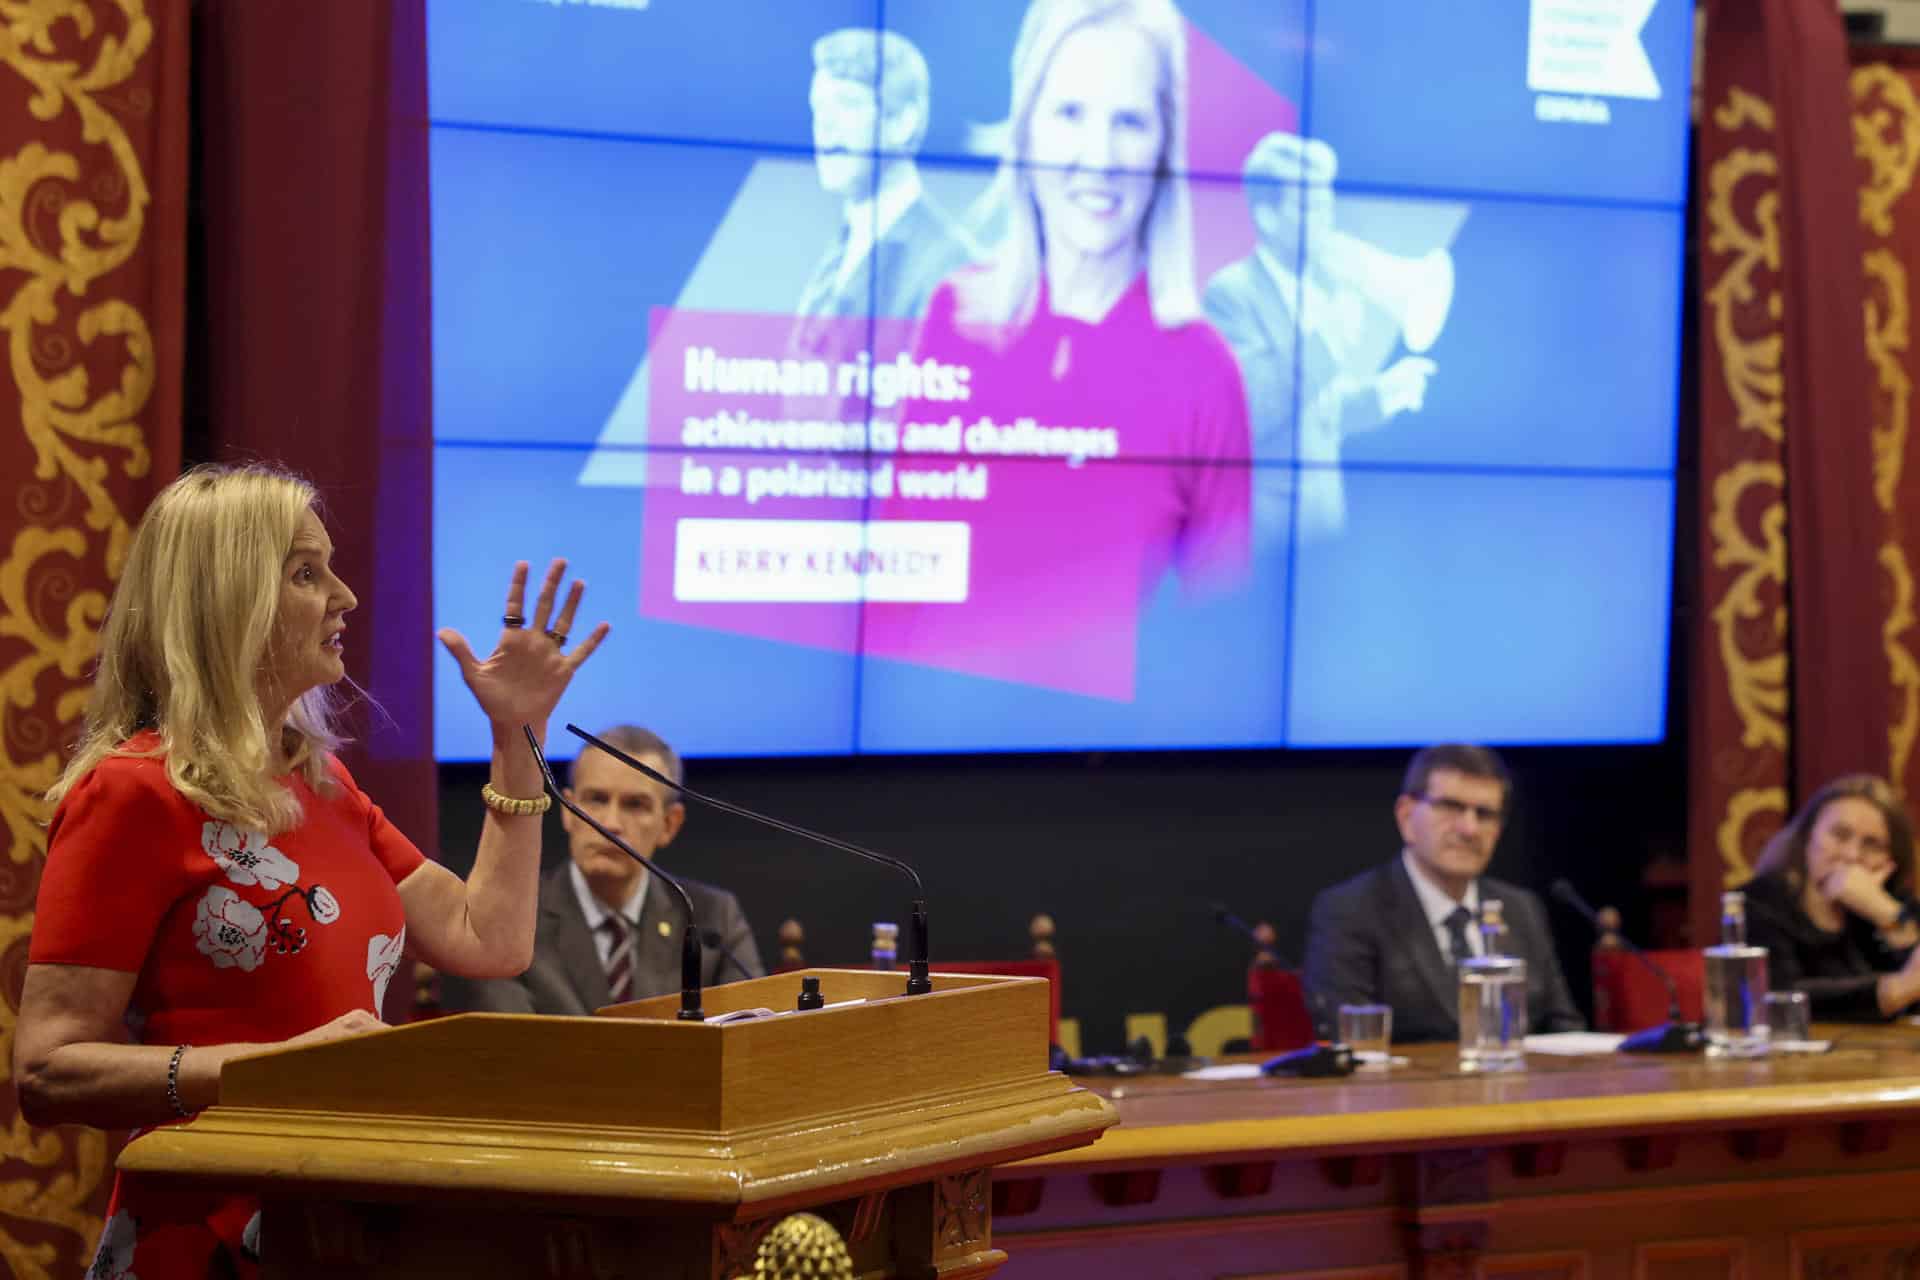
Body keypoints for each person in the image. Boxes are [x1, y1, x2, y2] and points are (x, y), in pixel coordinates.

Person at [12, 464, 609, 1278]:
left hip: (343, 1222)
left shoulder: (319, 786)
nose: (344, 596)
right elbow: (48, 1070)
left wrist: (517, 739)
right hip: (215, 1237)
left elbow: (488, 940)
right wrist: (284, 1070)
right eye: (304, 572)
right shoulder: (132, 791)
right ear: (227, 601)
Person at [861, 0, 1252, 703]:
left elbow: (1223, 639)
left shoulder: (1206, 369)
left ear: (1166, 143)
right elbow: (898, 581)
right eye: (1070, 113)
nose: (1096, 158)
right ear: (1026, 123)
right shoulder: (957, 316)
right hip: (934, 738)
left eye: (1129, 121)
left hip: (1129, 761)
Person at [1205, 132, 1445, 546]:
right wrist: (1329, 343)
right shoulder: (1231, 293)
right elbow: (1252, 411)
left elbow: (1318, 418)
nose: (1327, 221)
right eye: (1311, 207)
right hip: (1268, 534)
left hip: (1324, 522)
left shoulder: (1319, 289)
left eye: (1327, 204)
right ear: (1267, 217)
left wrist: (1381, 394)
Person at [440, 725, 764, 1015]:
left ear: (669, 824)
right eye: (595, 800)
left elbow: (749, 1044)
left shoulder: (712, 920)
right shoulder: (511, 921)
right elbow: (509, 1051)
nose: (610, 824)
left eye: (635, 805)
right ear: (568, 810)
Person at [1303, 744, 1584, 1042]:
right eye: (1451, 807)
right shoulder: (1350, 911)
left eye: (1485, 814)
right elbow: (1352, 1042)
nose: (1470, 828)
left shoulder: (1521, 909)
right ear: (1406, 816)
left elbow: (1565, 1030)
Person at [795, 27, 974, 326]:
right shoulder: (837, 253)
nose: (825, 125)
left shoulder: (951, 266)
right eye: (819, 108)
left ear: (904, 122)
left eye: (847, 104)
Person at [1742, 775, 1920, 1021]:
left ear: (1891, 861)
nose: (1852, 855)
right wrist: (1896, 990)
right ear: (1808, 837)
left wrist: (1889, 916)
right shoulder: (1758, 902)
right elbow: (1776, 999)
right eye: (1840, 834)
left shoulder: (1894, 905)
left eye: (1872, 845)